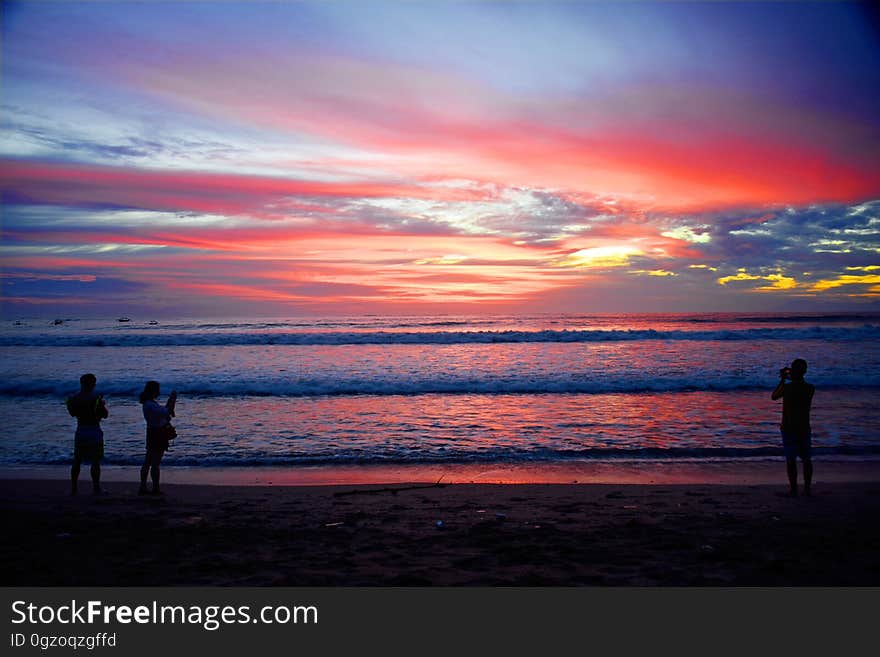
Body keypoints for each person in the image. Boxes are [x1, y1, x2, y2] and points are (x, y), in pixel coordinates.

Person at [771, 358, 815, 497]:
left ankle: (794, 489)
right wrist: (790, 376)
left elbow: (774, 396)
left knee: (791, 461)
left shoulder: (787, 388)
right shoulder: (810, 388)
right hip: (804, 428)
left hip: (789, 428)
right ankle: (807, 489)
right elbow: (798, 382)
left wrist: (783, 379)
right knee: (806, 460)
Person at [66, 373, 109, 495]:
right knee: (95, 461)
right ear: (93, 384)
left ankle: (74, 488)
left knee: (77, 460)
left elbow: (72, 413)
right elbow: (105, 415)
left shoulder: (74, 398)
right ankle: (96, 488)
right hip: (94, 430)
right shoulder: (95, 399)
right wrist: (102, 404)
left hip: (80, 430)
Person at [138, 381, 177, 496]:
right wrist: (172, 400)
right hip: (157, 433)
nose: (159, 392)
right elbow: (166, 412)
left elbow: (164, 413)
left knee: (148, 461)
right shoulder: (150, 405)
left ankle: (143, 487)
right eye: (157, 390)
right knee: (154, 463)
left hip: (152, 432)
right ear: (153, 391)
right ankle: (154, 488)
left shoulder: (149, 404)